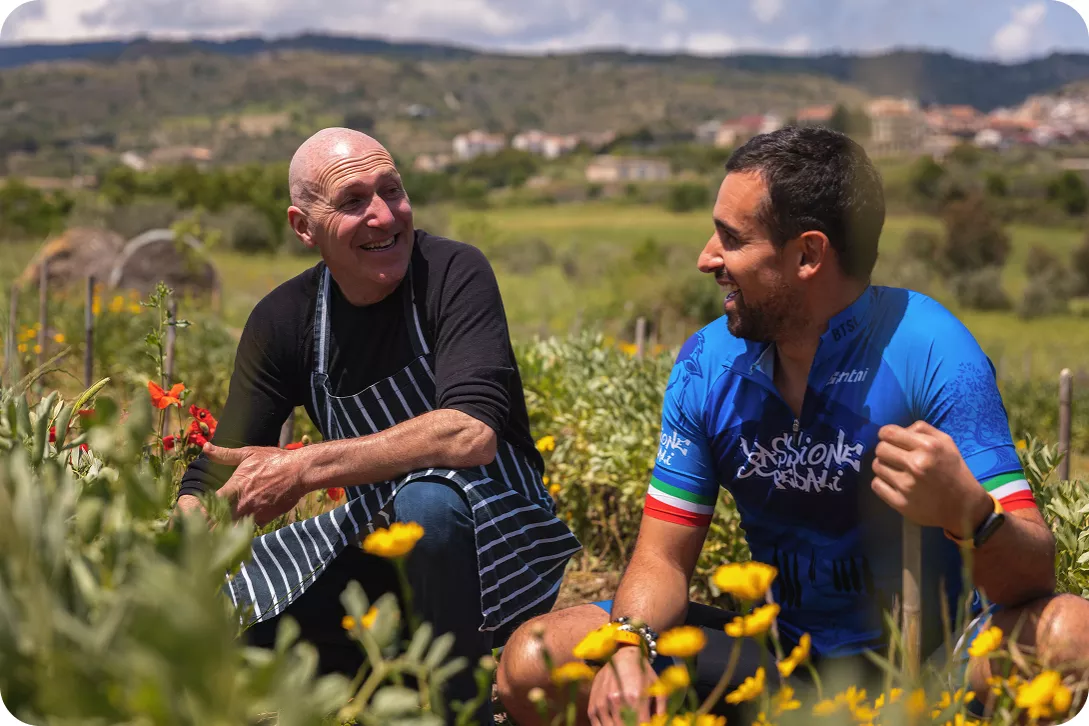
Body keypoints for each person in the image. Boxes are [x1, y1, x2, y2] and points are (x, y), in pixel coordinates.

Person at [496, 126, 1089, 725]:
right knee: (534, 661)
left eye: (731, 239)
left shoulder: (932, 349)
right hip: (781, 663)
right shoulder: (707, 363)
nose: (707, 258)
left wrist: (972, 515)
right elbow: (663, 560)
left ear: (808, 255)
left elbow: (1032, 576)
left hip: (932, 670)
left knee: (1070, 635)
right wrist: (630, 644)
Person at [174, 128, 581, 723]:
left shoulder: (452, 273)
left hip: (497, 538)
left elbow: (470, 432)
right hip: (376, 542)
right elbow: (218, 467)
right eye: (353, 201)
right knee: (251, 646)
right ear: (303, 227)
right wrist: (185, 536)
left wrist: (303, 467)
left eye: (392, 190)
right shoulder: (285, 321)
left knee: (427, 502)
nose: (384, 216)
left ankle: (460, 711)